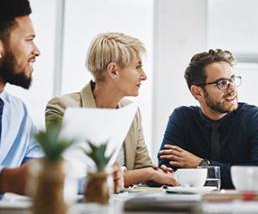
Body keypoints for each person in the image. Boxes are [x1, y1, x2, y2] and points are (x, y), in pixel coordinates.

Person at [45, 32, 176, 187]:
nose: (144, 76)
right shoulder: (63, 108)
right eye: (138, 67)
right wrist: (146, 174)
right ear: (113, 71)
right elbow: (72, 176)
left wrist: (156, 174)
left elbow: (143, 168)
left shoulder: (131, 112)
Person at [158, 49, 258, 189]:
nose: (232, 89)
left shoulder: (253, 117)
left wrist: (200, 164)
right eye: (222, 83)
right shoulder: (182, 118)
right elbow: (167, 173)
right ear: (197, 92)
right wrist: (233, 174)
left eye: (232, 80)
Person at [0, 0, 43, 198]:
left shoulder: (18, 112)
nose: (36, 51)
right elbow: (15, 178)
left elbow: (40, 171)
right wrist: (5, 180)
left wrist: (94, 179)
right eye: (29, 40)